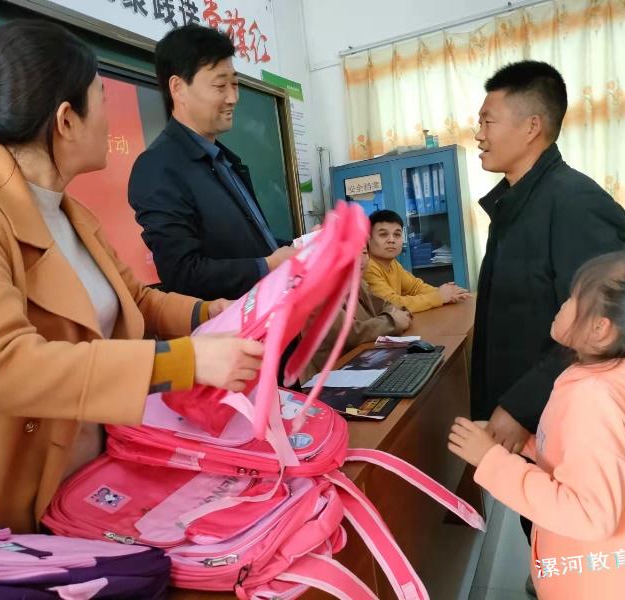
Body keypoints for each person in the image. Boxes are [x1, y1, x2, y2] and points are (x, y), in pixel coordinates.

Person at [0, 20, 264, 533]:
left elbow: (137, 300)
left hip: (84, 491)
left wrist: (212, 314)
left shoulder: (73, 216)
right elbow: (7, 366)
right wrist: (187, 361)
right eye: (103, 99)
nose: (111, 118)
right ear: (67, 119)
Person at [449, 250, 625, 599]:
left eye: (573, 298)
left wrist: (492, 461)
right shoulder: (617, 379)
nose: (562, 304)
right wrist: (526, 444)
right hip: (610, 574)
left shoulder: (594, 398)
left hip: (599, 587)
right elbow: (589, 453)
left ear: (600, 330)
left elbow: (589, 514)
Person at [470, 60, 625, 453]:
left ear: (531, 127)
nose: (479, 135)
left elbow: (599, 325)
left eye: (487, 122)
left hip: (556, 422)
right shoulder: (514, 204)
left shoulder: (576, 203)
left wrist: (521, 407)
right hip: (519, 415)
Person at [128, 24, 296, 301]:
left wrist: (301, 246)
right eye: (220, 86)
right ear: (178, 88)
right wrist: (266, 266)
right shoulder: (157, 168)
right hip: (230, 325)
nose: (233, 97)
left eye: (235, 84)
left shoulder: (224, 160)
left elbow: (248, 246)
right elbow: (182, 272)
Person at [301, 245, 412, 382]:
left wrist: (394, 316)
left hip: (364, 363)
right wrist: (393, 321)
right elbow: (352, 333)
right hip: (333, 378)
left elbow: (385, 305)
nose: (360, 260)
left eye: (364, 252)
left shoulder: (357, 282)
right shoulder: (318, 293)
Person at [363, 209, 470, 312]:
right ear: (368, 239)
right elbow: (392, 304)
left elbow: (415, 287)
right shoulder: (366, 267)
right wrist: (439, 297)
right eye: (383, 234)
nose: (391, 240)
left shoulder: (393, 264)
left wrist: (448, 293)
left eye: (397, 234)